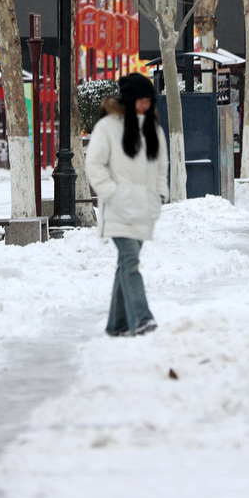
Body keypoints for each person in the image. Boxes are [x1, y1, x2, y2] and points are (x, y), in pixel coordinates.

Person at [85, 73, 169, 336]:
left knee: (125, 263)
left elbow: (161, 167)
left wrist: (159, 196)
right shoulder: (108, 127)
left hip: (144, 209)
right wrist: (114, 194)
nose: (145, 107)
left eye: (148, 102)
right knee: (130, 261)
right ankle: (142, 318)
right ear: (131, 99)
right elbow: (94, 165)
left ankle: (117, 324)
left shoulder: (153, 129)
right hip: (119, 209)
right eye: (141, 101)